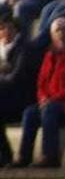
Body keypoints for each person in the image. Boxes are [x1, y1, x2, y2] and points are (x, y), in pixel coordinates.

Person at [12, 17, 65, 167]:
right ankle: (24, 157)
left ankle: (50, 156)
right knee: (30, 113)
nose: (61, 33)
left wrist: (54, 99)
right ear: (52, 35)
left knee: (49, 110)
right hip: (51, 104)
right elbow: (41, 82)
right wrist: (43, 97)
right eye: (57, 30)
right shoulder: (49, 55)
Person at [0, 11, 41, 166]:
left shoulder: (24, 48)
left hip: (22, 99)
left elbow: (15, 77)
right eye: (2, 29)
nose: (5, 32)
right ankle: (5, 155)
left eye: (9, 28)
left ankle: (9, 156)